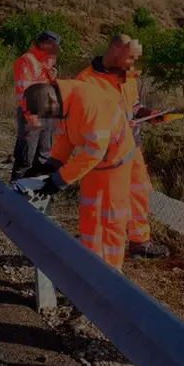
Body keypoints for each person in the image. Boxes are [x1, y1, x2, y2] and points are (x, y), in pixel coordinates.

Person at [24, 81, 136, 272]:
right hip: (92, 161)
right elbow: (65, 137)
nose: (47, 121)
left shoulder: (86, 104)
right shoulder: (62, 103)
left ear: (51, 102)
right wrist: (53, 164)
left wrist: (58, 180)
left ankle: (112, 275)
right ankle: (89, 267)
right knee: (89, 213)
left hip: (116, 160)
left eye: (46, 116)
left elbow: (94, 150)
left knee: (112, 219)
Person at [75, 34, 170, 259]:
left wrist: (147, 114)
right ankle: (94, 252)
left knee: (139, 192)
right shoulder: (86, 81)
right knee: (100, 202)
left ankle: (140, 242)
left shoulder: (127, 77)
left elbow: (133, 106)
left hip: (132, 147)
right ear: (115, 50)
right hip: (104, 153)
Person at [10, 31, 61, 182]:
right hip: (31, 115)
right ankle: (13, 195)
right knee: (26, 158)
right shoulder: (27, 60)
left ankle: (36, 193)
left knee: (43, 156)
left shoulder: (48, 61)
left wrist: (53, 80)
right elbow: (22, 92)